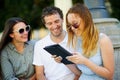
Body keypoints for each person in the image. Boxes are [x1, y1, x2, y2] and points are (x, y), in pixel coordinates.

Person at [65, 3, 114, 80]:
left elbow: (109, 75)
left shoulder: (103, 40)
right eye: (69, 26)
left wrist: (85, 61)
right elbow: (80, 72)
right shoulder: (76, 40)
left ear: (86, 20)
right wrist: (63, 60)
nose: (72, 28)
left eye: (75, 24)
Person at [33, 6, 81, 80]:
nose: (54, 26)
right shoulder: (39, 45)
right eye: (49, 23)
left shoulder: (76, 39)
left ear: (62, 20)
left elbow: (82, 71)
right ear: (45, 25)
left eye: (56, 21)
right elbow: (39, 74)